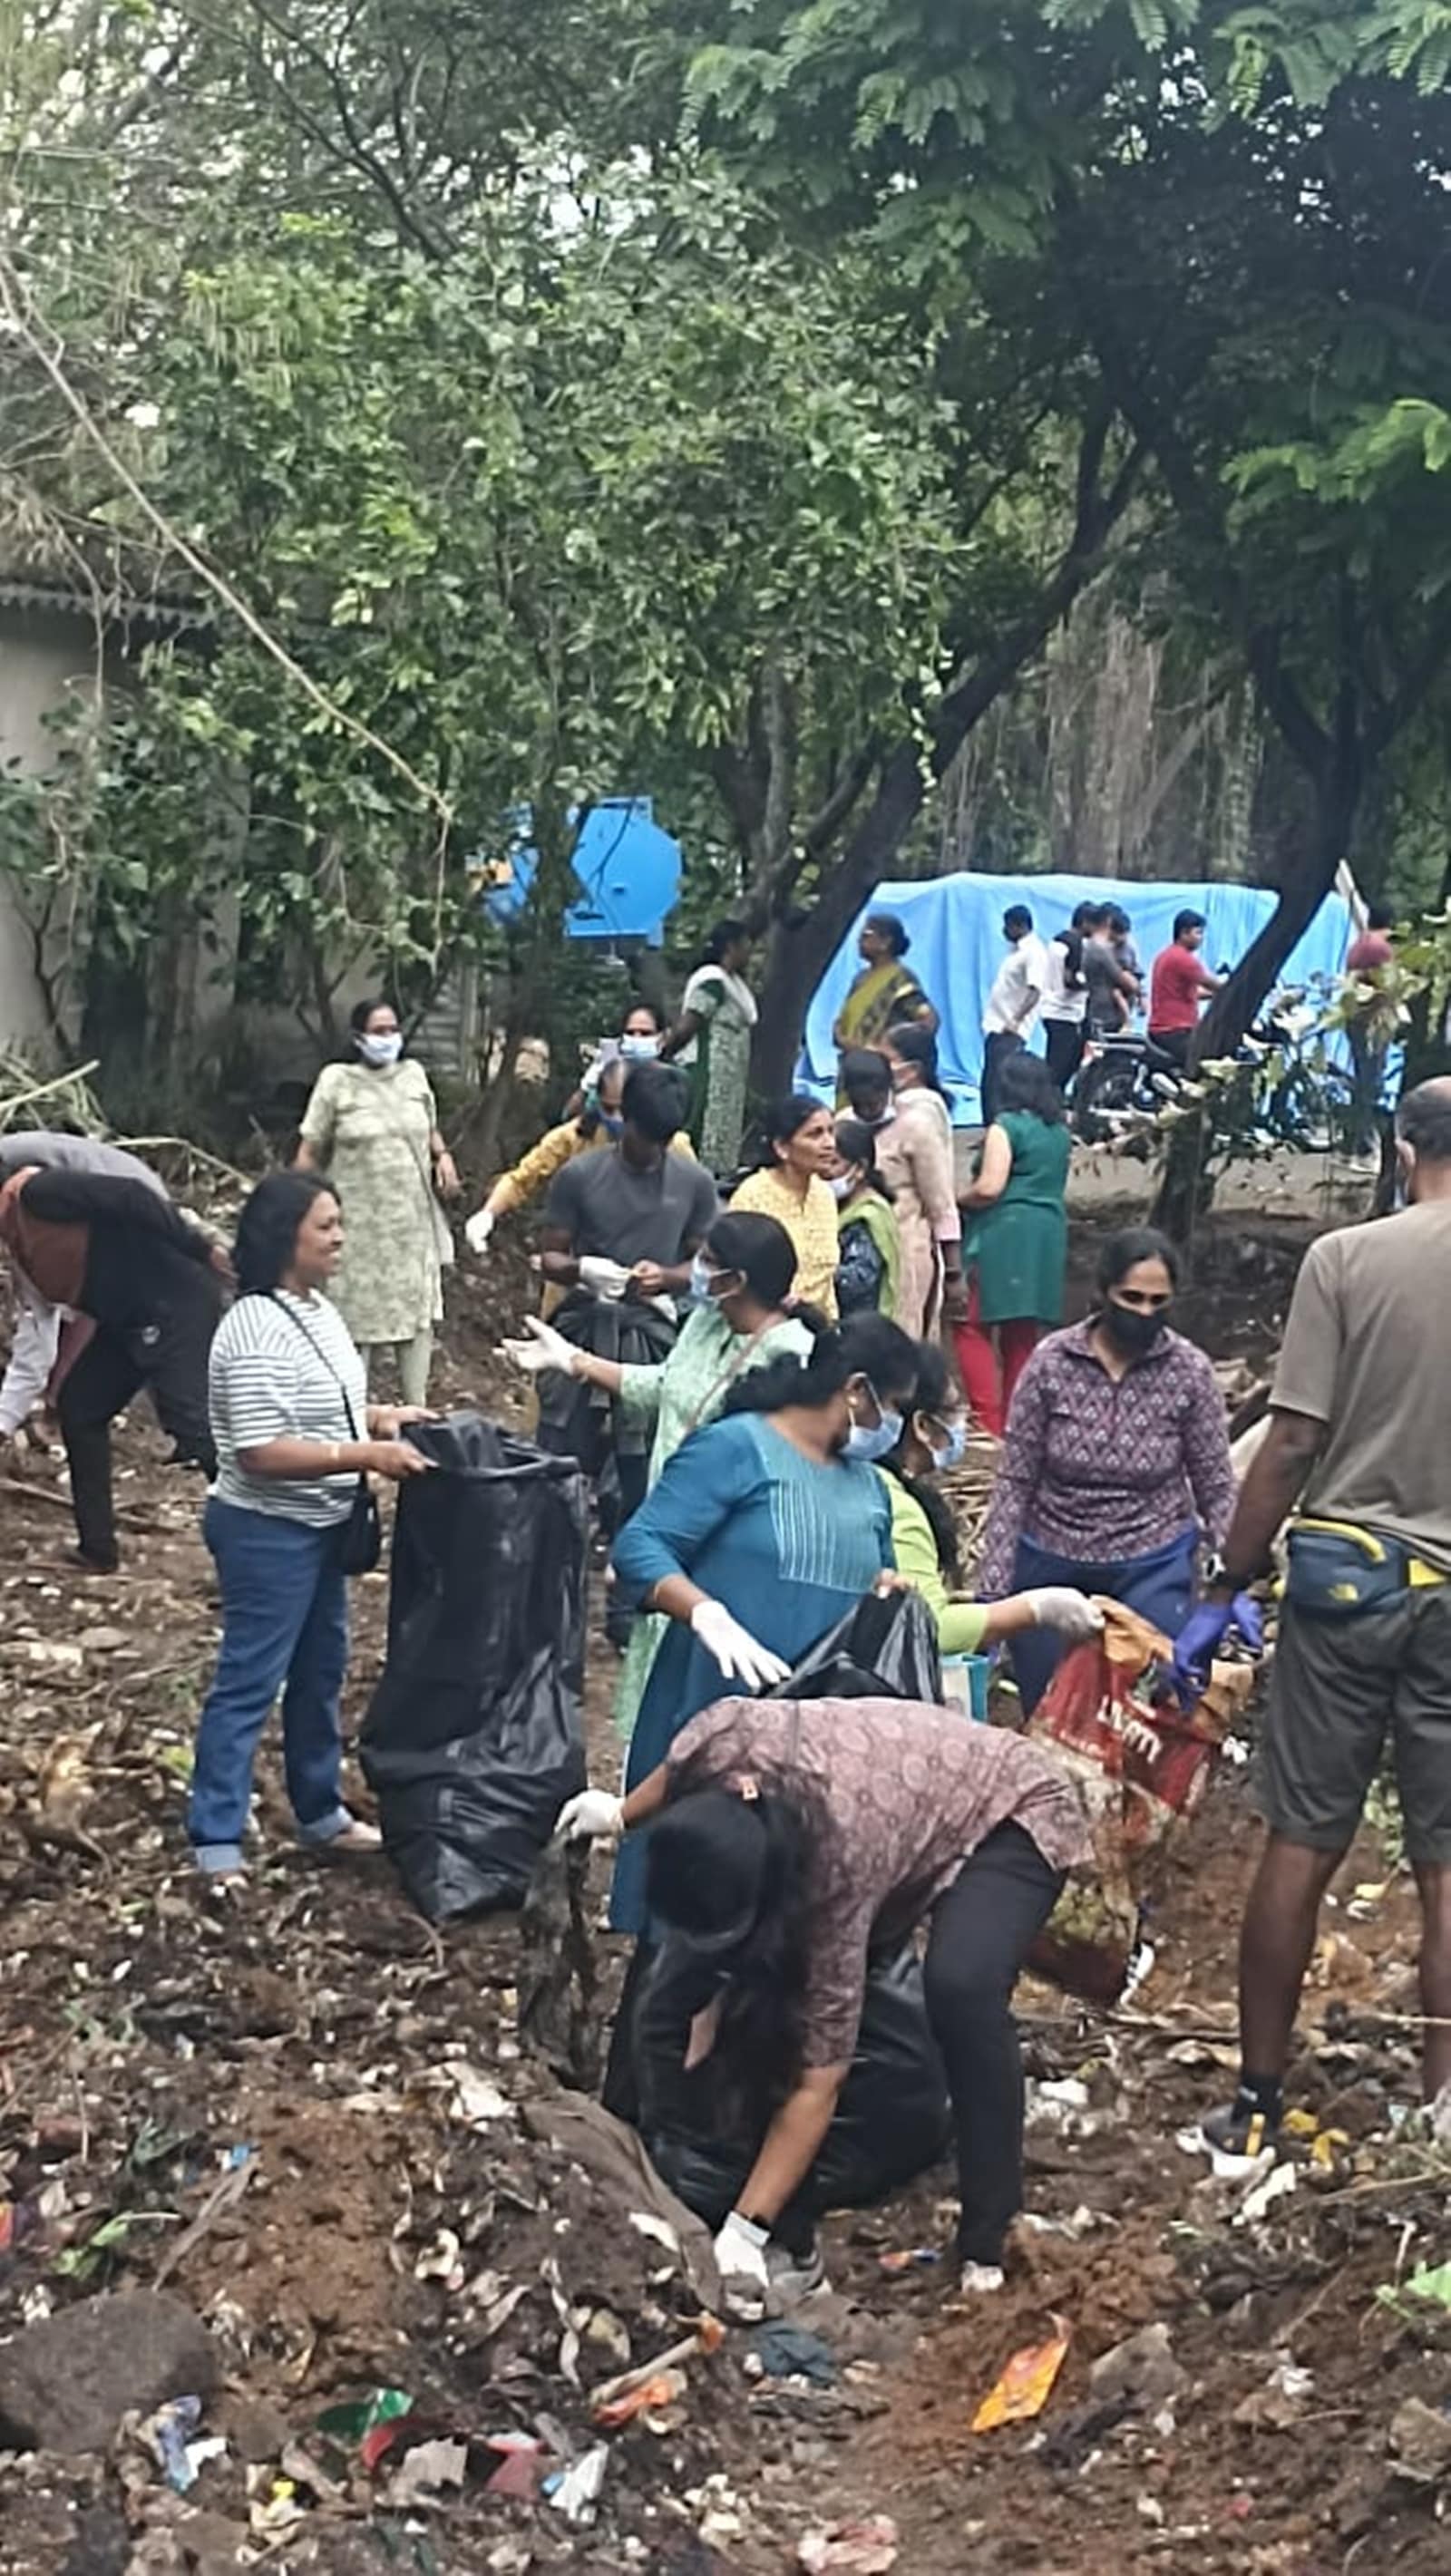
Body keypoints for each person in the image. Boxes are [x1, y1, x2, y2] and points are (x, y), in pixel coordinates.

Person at [559, 1693, 1090, 2299]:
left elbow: (820, 2080)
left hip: (1009, 1806)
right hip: (893, 1790)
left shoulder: (838, 1874)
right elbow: (675, 1775)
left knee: (959, 1988)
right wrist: (621, 1815)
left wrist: (745, 2229)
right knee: (704, 1984)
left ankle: (988, 2235)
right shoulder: (721, 1733)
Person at [1183, 1079, 1451, 2158]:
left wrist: (1223, 1584)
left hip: (1347, 1585)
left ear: (1401, 1151)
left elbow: (1290, 1442)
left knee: (1301, 1843)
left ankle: (1255, 2099)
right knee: (1444, 1864)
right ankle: (1442, 2110)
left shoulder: (1345, 1261)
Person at [607, 1309, 922, 1935]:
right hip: (717, 1701)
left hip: (816, 1729)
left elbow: (877, 1570)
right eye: (893, 1405)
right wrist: (703, 1610)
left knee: (787, 1922)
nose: (893, 1426)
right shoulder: (737, 1447)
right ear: (855, 1390)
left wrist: (886, 1587)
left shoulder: (869, 1487)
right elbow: (640, 1545)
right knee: (697, 1913)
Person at [188, 1171, 433, 1881]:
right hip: (267, 1531)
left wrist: (383, 1418)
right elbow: (261, 1451)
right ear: (284, 1236)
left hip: (320, 1525)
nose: (339, 1236)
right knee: (250, 1678)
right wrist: (367, 1454)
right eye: (325, 1224)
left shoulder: (317, 1310)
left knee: (320, 1671)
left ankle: (321, 1808)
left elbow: (323, 1407)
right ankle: (216, 1834)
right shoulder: (254, 1326)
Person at [502, 1211, 813, 1740]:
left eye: (708, 1260)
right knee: (655, 1697)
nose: (694, 1269)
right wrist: (574, 1361)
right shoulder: (706, 1321)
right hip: (672, 1532)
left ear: (736, 1280)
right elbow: (666, 1388)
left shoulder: (792, 1356)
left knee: (712, 1702)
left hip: (727, 1551)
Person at [979, 1227, 1236, 1713]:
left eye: (1158, 1301)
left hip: (1150, 1556)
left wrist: (1233, 1576)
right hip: (1051, 1554)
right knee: (1050, 1710)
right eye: (1131, 1297)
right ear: (1103, 1292)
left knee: (1147, 1709)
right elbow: (1015, 1480)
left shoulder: (1190, 1372)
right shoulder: (1052, 1363)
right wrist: (992, 1596)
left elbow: (1215, 1485)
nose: (1144, 1312)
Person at [533, 1062, 721, 1563]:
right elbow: (550, 1256)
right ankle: (552, 1558)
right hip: (585, 1322)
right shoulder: (580, 1176)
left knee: (643, 1459)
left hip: (652, 1328)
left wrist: (668, 1276)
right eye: (645, 1137)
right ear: (625, 1122)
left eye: (664, 1141)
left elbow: (707, 1262)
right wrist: (584, 1270)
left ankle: (632, 1572)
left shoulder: (693, 1182)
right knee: (561, 1450)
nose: (653, 1153)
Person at [0, 1159, 226, 1572]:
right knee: (80, 1406)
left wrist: (200, 1248)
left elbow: (132, 1196)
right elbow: (35, 1347)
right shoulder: (21, 1243)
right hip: (128, 1319)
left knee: (191, 1425)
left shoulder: (39, 1194)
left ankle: (266, 1545)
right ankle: (96, 1549)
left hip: (174, 1299)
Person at [883, 1343, 1102, 1658]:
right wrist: (1033, 1610)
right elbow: (933, 1628)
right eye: (954, 1410)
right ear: (922, 1426)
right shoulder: (898, 1509)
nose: (963, 1422)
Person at [296, 997, 459, 1405]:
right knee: (352, 1326)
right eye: (378, 1031)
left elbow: (429, 1127)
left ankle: (417, 1418)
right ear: (358, 1038)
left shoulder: (415, 1076)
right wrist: (294, 1210)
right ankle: (349, 1424)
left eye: (392, 1030)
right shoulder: (337, 1081)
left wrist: (442, 1156)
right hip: (354, 1231)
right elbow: (309, 1151)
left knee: (416, 1323)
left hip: (410, 1229)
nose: (387, 1039)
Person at [0, 1132, 168, 1455]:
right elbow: (38, 1336)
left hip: (136, 1211)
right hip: (119, 1211)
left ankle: (58, 1406)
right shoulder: (26, 1228)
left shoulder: (26, 1173)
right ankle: (57, 1407)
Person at [463, 1056, 696, 1259]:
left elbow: (698, 1208)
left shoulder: (671, 1144)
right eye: (608, 1109)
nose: (616, 1118)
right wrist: (488, 1213)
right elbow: (522, 1178)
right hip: (574, 1266)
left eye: (622, 1110)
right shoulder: (573, 1138)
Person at [955, 1050, 1071, 1438]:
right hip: (1046, 1234)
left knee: (971, 1324)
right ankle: (1018, 1424)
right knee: (1021, 1332)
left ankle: (986, 1422)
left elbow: (990, 1187)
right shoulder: (1059, 1131)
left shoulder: (1005, 1127)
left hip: (1004, 1232)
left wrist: (956, 1200)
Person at [873, 1026, 965, 1337]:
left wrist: (953, 1270)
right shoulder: (866, 1114)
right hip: (875, 1244)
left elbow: (940, 1200)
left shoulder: (919, 1116)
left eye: (884, 1059)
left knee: (903, 1336)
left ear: (911, 1070)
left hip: (907, 1242)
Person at [659, 920, 758, 1175]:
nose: (750, 952)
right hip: (709, 1074)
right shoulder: (713, 982)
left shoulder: (734, 984)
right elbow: (688, 1025)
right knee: (703, 1131)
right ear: (731, 947)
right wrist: (663, 1054)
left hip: (729, 1082)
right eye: (746, 945)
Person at [729, 1095, 841, 1319]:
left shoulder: (824, 1195)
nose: (830, 1143)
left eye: (831, 1131)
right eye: (815, 1134)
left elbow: (826, 1283)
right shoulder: (753, 1197)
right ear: (782, 1147)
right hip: (764, 1331)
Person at [832, 911, 938, 1073]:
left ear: (885, 942)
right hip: (852, 1066)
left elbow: (928, 1021)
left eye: (867, 936)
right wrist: (840, 1036)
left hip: (880, 1071)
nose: (859, 941)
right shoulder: (861, 978)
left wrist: (888, 1050)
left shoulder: (900, 979)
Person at [980, 906, 1048, 1125]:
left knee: (1000, 1082)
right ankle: (990, 1129)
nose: (1004, 931)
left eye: (1007, 925)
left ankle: (1000, 1129)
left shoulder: (1033, 953)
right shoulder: (1016, 952)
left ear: (1019, 926)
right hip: (997, 1024)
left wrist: (1016, 1019)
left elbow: (1035, 990)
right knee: (990, 1080)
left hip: (1010, 1028)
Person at [831, 1117, 901, 1319]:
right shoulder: (838, 1207)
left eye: (834, 1162)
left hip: (858, 1325)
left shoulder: (867, 1216)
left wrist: (816, 1269)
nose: (825, 1171)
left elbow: (859, 1279)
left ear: (859, 1168)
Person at [1344, 902, 1397, 1154]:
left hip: (1354, 1017)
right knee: (1372, 1080)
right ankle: (1366, 1138)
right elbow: (1389, 984)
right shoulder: (1382, 947)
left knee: (1362, 1077)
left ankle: (1355, 1134)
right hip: (1374, 1020)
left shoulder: (1358, 945)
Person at [1148, 911, 1223, 1070]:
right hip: (1175, 1031)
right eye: (1198, 933)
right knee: (1211, 1060)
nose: (1201, 938)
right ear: (1184, 933)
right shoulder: (1183, 959)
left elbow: (1186, 992)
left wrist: (1213, 995)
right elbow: (1213, 983)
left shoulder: (1165, 955)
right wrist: (1237, 987)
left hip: (1161, 1029)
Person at [1039, 904, 1096, 1092]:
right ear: (1085, 922)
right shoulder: (1074, 944)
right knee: (1061, 1067)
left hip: (1051, 1010)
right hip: (1065, 1012)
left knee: (1058, 1063)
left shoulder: (1056, 942)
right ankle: (1049, 1103)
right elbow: (1069, 979)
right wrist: (1090, 985)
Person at [1086, 906, 1140, 1034]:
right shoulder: (1100, 950)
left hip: (1101, 1012)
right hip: (1106, 1016)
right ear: (1108, 922)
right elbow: (1127, 982)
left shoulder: (1096, 947)